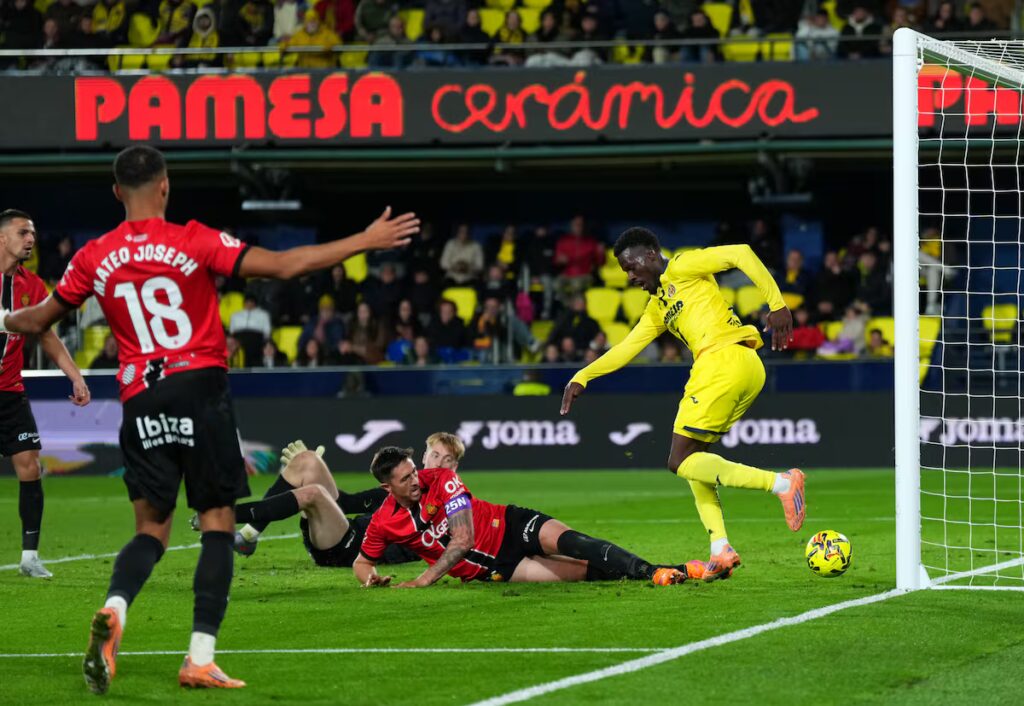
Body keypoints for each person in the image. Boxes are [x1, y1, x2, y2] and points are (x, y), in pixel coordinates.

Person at [0, 146, 418, 693]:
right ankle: (199, 657)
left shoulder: (93, 256)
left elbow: (38, 320)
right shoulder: (195, 239)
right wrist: (365, 240)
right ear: (166, 187)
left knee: (150, 531)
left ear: (115, 192)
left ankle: (115, 608)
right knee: (218, 526)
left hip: (141, 400)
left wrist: (6, 315)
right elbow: (287, 264)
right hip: (199, 391)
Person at [559, 228, 806, 583]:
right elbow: (627, 348)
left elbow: (741, 252)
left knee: (679, 461)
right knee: (695, 460)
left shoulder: (683, 266)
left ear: (649, 256)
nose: (629, 277)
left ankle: (781, 483)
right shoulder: (658, 306)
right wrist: (584, 375)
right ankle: (720, 548)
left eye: (630, 267)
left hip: (722, 360)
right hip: (743, 366)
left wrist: (778, 304)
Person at [353, 438, 700, 586]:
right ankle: (674, 572)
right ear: (388, 488)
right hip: (495, 568)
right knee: (581, 573)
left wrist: (425, 578)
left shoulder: (441, 478)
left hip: (508, 524)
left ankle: (660, 572)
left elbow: (463, 539)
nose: (415, 480)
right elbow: (361, 561)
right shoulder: (384, 521)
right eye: (405, 478)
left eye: (414, 471)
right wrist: (369, 578)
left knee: (575, 542)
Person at [0, 210, 91, 580]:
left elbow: (47, 336)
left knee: (30, 465)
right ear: (2, 238)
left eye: (33, 232)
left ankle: (29, 556)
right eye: (23, 232)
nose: (31, 239)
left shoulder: (32, 286)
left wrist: (76, 377)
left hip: (9, 392)